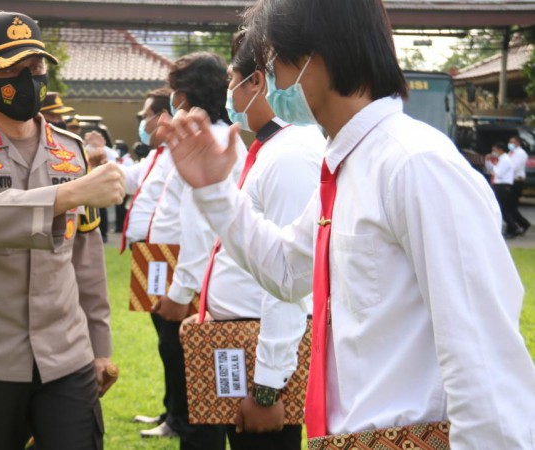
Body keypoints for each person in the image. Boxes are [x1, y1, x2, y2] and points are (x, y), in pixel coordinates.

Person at [158, 0, 535, 448]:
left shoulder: (415, 165)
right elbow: (286, 270)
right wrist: (215, 192)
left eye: (273, 65)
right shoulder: (348, 164)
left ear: (313, 59)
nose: (273, 84)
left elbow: (482, 353)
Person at [0, 11, 125, 450]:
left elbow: (86, 262)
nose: (28, 79)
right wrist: (70, 194)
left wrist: (100, 346)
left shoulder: (70, 152)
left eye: (34, 68)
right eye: (11, 70)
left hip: (66, 356)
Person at [160, 31, 324, 450]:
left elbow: (289, 281)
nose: (229, 92)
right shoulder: (271, 147)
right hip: (239, 337)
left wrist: (268, 388)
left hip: (264, 354)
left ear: (257, 81)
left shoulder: (290, 154)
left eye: (233, 79)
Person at [149, 51, 248, 448]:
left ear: (184, 97)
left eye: (175, 93)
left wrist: (180, 292)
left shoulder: (206, 144)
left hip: (205, 290)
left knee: (201, 411)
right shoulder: (224, 140)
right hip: (210, 285)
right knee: (207, 403)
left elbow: (201, 231)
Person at [87, 87, 177, 436]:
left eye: (146, 116)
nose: (142, 123)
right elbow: (129, 178)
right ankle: (171, 411)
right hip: (151, 253)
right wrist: (100, 159)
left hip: (164, 254)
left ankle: (177, 418)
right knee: (164, 339)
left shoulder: (173, 155)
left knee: (172, 341)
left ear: (163, 117)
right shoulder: (160, 155)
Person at [485, 142, 519, 238]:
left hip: (502, 186)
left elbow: (498, 173)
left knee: (501, 208)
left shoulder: (505, 160)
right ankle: (513, 227)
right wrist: (488, 162)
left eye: (494, 150)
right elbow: (490, 170)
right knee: (503, 208)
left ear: (500, 150)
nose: (493, 152)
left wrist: (493, 165)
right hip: (499, 185)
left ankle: (513, 227)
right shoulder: (501, 160)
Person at [508, 135, 531, 234]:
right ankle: (519, 224)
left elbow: (513, 167)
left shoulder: (521, 153)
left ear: (518, 143)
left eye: (512, 142)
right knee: (509, 205)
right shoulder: (511, 153)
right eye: (510, 142)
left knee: (510, 205)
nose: (510, 144)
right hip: (510, 180)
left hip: (517, 180)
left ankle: (519, 224)